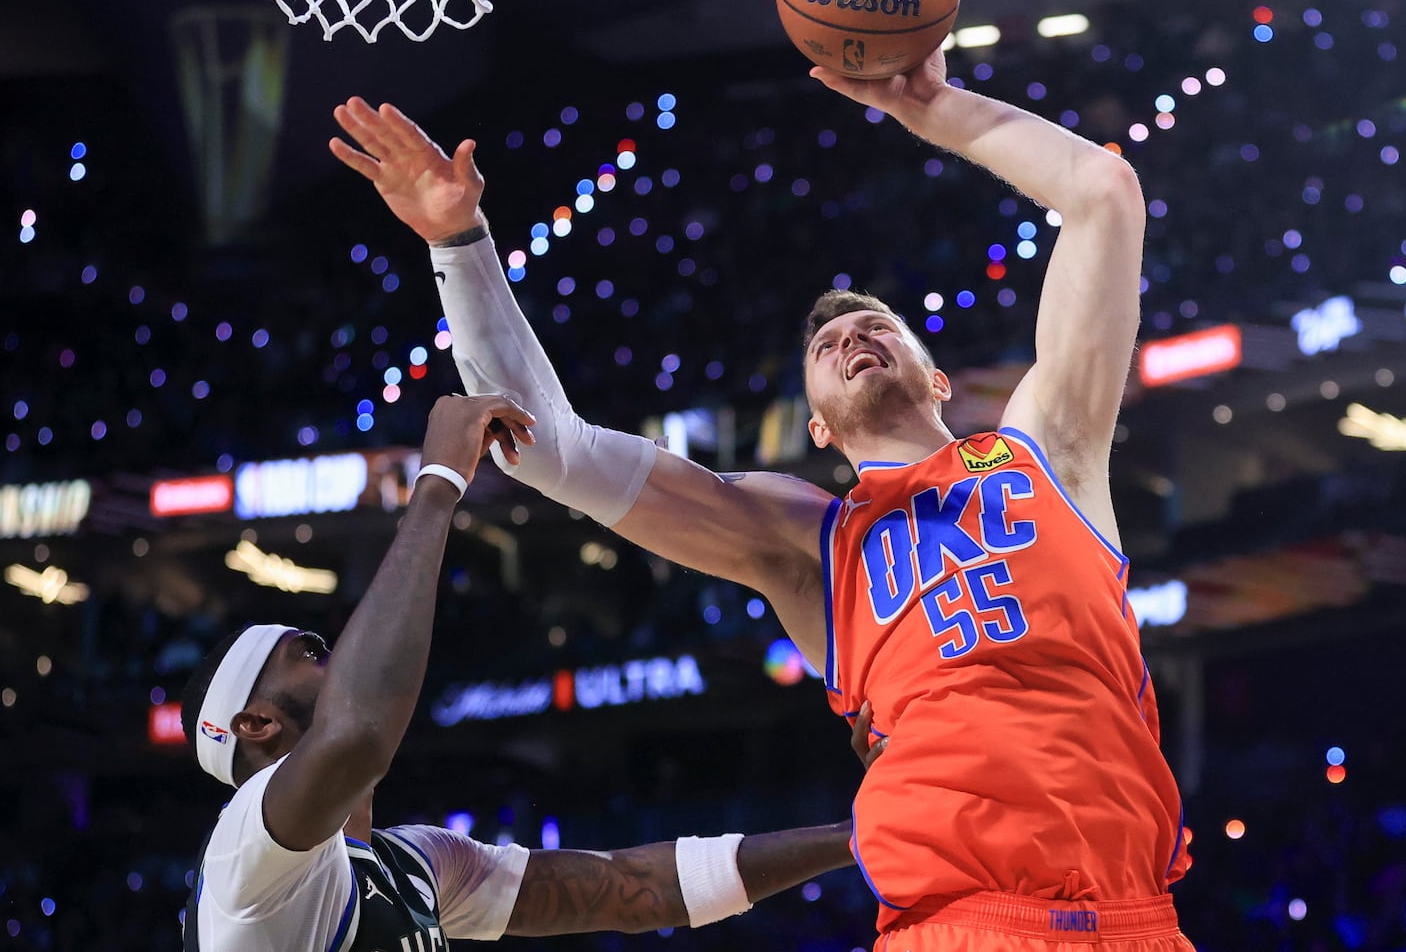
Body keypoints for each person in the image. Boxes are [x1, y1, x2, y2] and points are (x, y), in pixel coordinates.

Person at [329, 47, 1194, 951]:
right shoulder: (806, 541)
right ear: (817, 427)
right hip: (959, 919)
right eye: (827, 345)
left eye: (874, 326)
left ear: (939, 380)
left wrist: (931, 106)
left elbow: (1103, 194)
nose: (850, 334)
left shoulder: (1047, 453)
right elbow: (554, 447)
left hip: (1136, 915)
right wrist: (457, 242)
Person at [180, 392, 855, 951]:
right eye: (313, 654)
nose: (344, 657)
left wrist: (855, 837)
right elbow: (356, 731)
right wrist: (439, 481)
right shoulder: (244, 853)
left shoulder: (414, 862)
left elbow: (628, 887)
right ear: (257, 722)